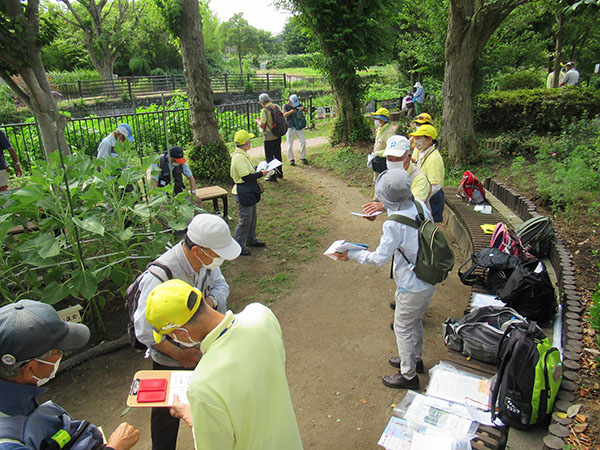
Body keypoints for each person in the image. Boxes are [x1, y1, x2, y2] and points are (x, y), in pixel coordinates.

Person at [145, 279, 303, 450]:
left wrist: (192, 416)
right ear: (202, 297)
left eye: (170, 336)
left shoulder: (202, 384)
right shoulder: (261, 315)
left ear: (181, 333)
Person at [133, 213, 241, 450]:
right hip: (170, 358)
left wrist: (207, 304)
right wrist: (180, 355)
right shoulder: (159, 276)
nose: (220, 259)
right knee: (166, 418)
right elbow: (144, 331)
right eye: (217, 253)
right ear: (197, 250)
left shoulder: (205, 263)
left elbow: (221, 286)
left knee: (209, 405)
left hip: (202, 350)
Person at [336, 170, 437, 390]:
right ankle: (414, 359)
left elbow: (380, 259)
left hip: (411, 284)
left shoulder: (392, 225)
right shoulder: (420, 205)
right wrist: (383, 211)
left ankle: (409, 375)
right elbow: (404, 213)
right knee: (415, 321)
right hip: (429, 277)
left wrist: (352, 254)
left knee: (402, 326)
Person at [0, 300, 140, 450]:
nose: (62, 355)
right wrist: (114, 448)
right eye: (58, 352)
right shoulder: (9, 444)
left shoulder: (16, 393)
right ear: (31, 368)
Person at [363, 135, 431, 219]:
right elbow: (382, 197)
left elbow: (414, 206)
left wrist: (384, 206)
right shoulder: (388, 175)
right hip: (397, 223)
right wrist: (376, 211)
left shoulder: (419, 178)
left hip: (417, 227)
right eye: (390, 159)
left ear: (409, 157)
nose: (393, 163)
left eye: (398, 158)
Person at [230, 130, 268, 256]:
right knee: (245, 220)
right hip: (243, 191)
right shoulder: (239, 158)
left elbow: (248, 171)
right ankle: (239, 245)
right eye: (249, 141)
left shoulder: (242, 155)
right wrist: (260, 174)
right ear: (246, 143)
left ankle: (251, 239)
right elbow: (245, 176)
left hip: (248, 190)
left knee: (252, 218)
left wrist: (258, 169)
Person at [409, 125, 445, 223]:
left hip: (432, 199)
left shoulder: (433, 158)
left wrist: (420, 196)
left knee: (430, 227)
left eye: (418, 138)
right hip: (427, 197)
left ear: (429, 139)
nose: (415, 141)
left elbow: (436, 186)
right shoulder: (425, 154)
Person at [256, 93, 283, 182]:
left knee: (269, 157)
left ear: (262, 102)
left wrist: (258, 122)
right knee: (278, 154)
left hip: (269, 137)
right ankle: (280, 173)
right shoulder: (276, 107)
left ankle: (273, 175)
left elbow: (263, 125)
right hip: (277, 135)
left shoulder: (265, 110)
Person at [367, 108, 397, 186]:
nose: (376, 121)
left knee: (382, 183)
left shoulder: (389, 132)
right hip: (377, 161)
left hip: (384, 162)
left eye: (377, 118)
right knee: (377, 182)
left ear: (383, 119)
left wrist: (377, 153)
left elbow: (390, 149)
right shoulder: (379, 130)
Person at [283, 94, 308, 166]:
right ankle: (291, 159)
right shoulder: (285, 106)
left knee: (303, 142)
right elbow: (284, 115)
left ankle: (302, 156)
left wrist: (302, 109)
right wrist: (292, 111)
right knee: (289, 144)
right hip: (290, 127)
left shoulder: (298, 104)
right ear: (290, 102)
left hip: (299, 126)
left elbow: (306, 110)